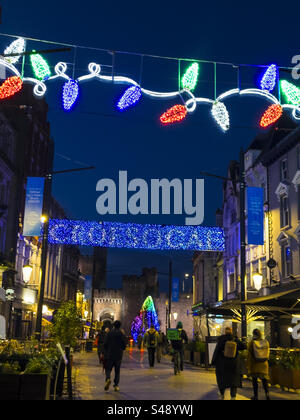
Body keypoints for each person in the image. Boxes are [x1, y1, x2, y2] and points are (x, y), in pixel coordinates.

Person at [212, 327, 246, 400]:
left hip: (222, 363)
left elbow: (216, 351)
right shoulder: (235, 340)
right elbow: (244, 346)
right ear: (231, 332)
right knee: (233, 380)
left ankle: (222, 395)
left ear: (225, 332)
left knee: (221, 379)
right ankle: (233, 396)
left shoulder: (221, 340)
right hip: (234, 363)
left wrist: (213, 362)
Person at [247, 329, 270, 400]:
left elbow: (249, 355)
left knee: (254, 381)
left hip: (255, 364)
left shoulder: (251, 343)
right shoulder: (266, 342)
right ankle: (267, 395)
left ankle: (256, 396)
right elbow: (268, 354)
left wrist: (248, 366)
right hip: (264, 364)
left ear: (253, 334)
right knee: (264, 381)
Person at [104, 320, 127, 392]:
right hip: (118, 355)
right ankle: (116, 385)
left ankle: (108, 378)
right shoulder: (121, 334)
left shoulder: (109, 333)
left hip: (110, 354)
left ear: (113, 325)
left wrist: (105, 351)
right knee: (117, 371)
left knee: (108, 368)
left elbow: (105, 344)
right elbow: (124, 345)